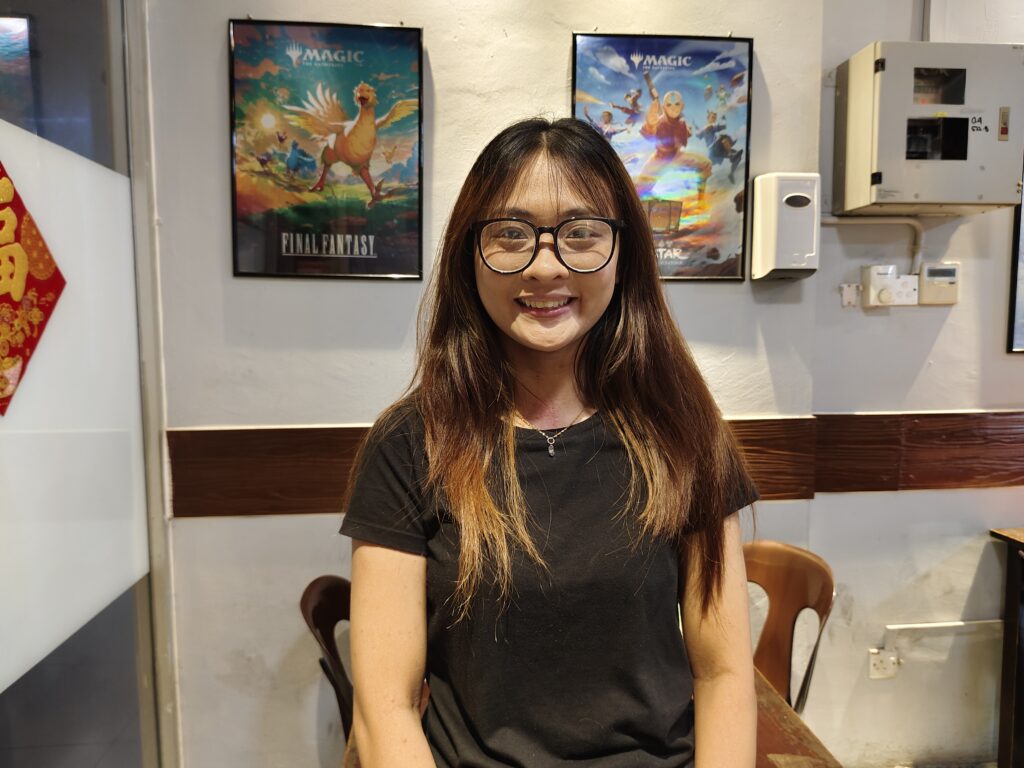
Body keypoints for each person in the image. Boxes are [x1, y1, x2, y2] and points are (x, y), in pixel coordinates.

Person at [341, 117, 758, 768]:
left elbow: (724, 673)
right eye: (510, 233)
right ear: (469, 254)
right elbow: (384, 707)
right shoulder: (411, 444)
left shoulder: (684, 431)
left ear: (622, 252)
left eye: (581, 232)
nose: (545, 266)